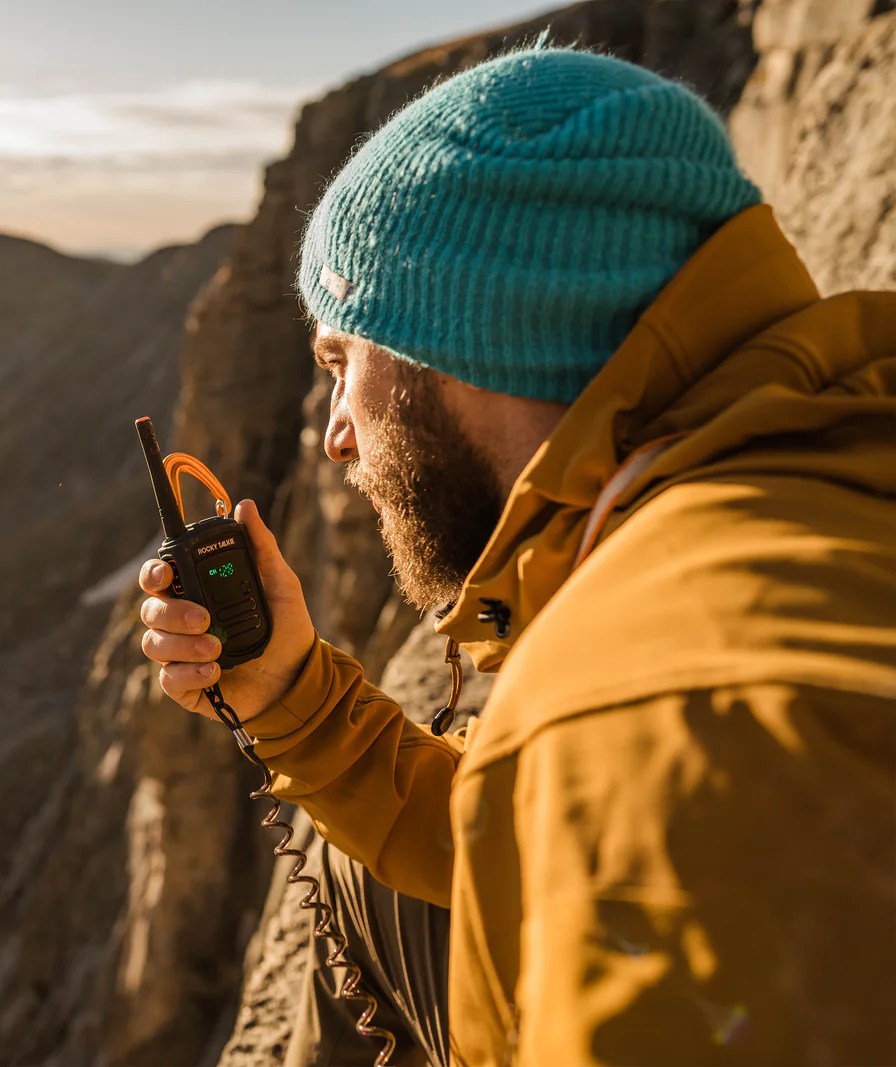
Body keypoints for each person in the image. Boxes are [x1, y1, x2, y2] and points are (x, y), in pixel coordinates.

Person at [137, 46, 896, 1066]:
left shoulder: (651, 717)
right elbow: (520, 834)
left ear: (459, 340)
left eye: (343, 361)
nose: (335, 435)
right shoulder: (811, 454)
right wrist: (293, 701)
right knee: (364, 871)